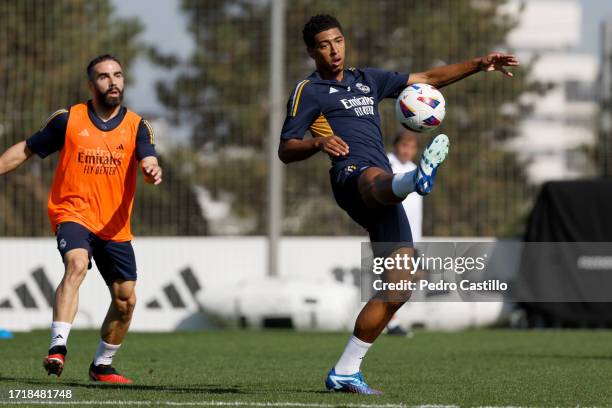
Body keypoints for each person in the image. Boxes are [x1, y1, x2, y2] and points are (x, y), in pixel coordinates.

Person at [278, 14, 518, 394]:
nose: (334, 50)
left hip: (383, 185)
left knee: (398, 287)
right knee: (375, 180)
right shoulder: (308, 91)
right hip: (351, 175)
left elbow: (429, 79)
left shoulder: (366, 79)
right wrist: (317, 143)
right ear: (311, 51)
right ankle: (413, 179)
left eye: (338, 40)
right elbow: (286, 148)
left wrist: (479, 64)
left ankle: (345, 370)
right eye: (324, 45)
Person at [0, 54, 162, 383]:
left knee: (126, 300)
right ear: (92, 85)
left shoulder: (137, 125)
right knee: (76, 264)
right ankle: (58, 347)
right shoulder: (68, 119)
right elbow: (26, 149)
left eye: (117, 75)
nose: (113, 81)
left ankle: (101, 365)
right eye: (104, 76)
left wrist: (150, 167)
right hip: (72, 212)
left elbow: (148, 156)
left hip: (114, 226)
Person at [385, 130, 422, 337]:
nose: (407, 150)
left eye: (412, 147)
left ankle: (389, 320)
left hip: (412, 236)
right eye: (404, 146)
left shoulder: (416, 169)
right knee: (393, 280)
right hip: (392, 231)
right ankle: (391, 323)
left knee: (407, 281)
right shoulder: (387, 163)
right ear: (396, 146)